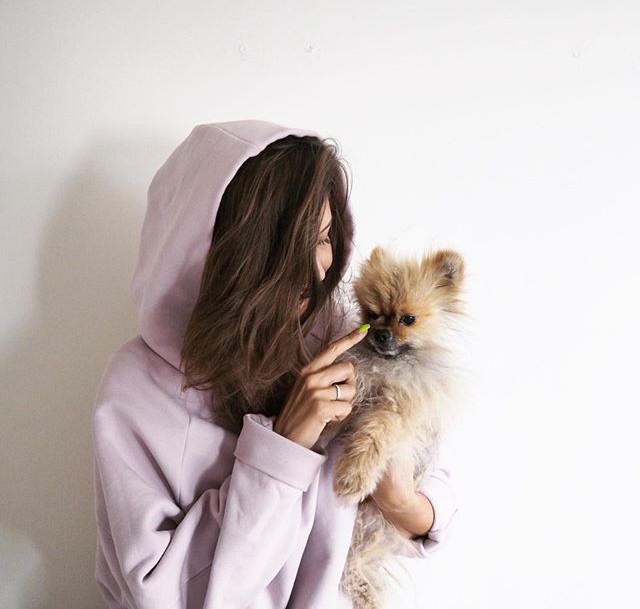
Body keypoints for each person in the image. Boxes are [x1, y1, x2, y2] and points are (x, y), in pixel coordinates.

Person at [91, 120, 459, 609]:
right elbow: (166, 594)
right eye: (290, 245)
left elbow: (435, 480)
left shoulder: (344, 337)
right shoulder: (138, 389)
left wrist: (402, 501)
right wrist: (286, 444)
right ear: (224, 250)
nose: (318, 267)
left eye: (325, 238)